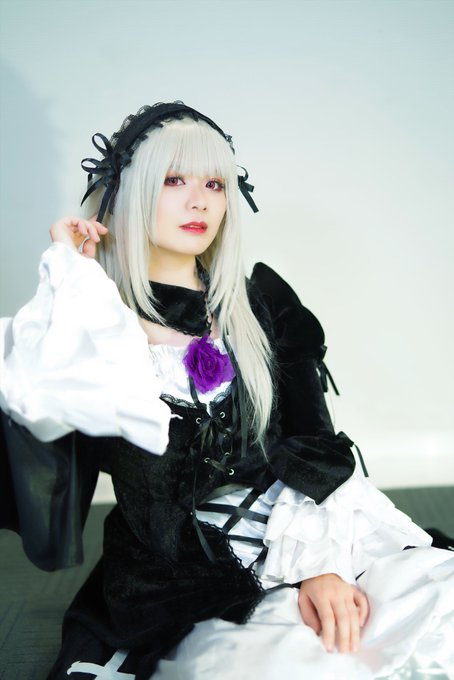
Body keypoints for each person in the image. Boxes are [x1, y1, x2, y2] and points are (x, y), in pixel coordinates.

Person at [0, 102, 453, 680]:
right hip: (179, 571)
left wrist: (321, 565)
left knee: (434, 606)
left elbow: (312, 444)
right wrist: (68, 274)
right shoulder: (96, 320)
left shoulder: (261, 308)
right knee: (296, 665)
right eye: (174, 180)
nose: (200, 202)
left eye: (215, 184)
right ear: (129, 192)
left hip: (304, 527)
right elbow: (36, 409)